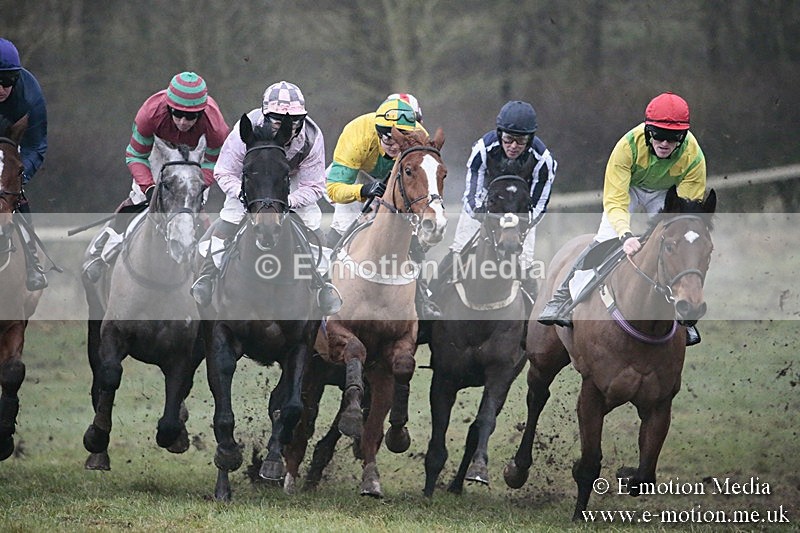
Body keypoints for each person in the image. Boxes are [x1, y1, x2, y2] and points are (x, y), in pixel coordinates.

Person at [538, 92, 706, 346]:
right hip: (630, 189)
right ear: (648, 130)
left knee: (680, 246)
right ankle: (562, 298)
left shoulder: (694, 156)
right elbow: (615, 201)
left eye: (673, 138)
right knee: (606, 238)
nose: (664, 143)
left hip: (666, 195)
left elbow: (685, 213)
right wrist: (625, 235)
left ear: (683, 137)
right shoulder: (627, 147)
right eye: (658, 135)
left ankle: (685, 316)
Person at [189, 80, 341, 315]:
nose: (289, 127)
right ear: (266, 116)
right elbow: (223, 171)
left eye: (295, 121)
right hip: (251, 183)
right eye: (279, 121)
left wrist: (288, 201)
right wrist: (243, 193)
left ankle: (323, 283)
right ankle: (208, 275)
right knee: (229, 217)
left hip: (292, 184)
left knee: (313, 223)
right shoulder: (245, 130)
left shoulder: (312, 136)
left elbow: (315, 185)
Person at [82, 71, 229, 282]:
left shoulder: (215, 126)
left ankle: (206, 266)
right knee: (139, 199)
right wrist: (148, 187)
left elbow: (214, 161)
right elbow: (135, 155)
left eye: (190, 116)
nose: (182, 121)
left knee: (192, 207)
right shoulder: (150, 114)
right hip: (159, 153)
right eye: (176, 113)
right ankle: (102, 250)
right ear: (168, 107)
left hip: (196, 159)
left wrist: (196, 186)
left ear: (201, 113)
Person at [324, 96, 441, 320]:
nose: (395, 145)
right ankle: (324, 291)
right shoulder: (357, 134)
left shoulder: (420, 137)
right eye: (388, 138)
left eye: (401, 138)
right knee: (343, 228)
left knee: (410, 239)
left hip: (399, 179)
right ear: (378, 130)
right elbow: (335, 190)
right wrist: (363, 191)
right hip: (358, 177)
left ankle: (422, 297)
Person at [447, 100, 557, 299]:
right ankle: (430, 302)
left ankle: (533, 313)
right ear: (500, 134)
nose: (513, 146)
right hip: (486, 205)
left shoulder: (543, 160)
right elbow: (471, 191)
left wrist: (524, 223)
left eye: (521, 141)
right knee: (458, 251)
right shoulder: (483, 149)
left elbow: (540, 203)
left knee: (524, 264)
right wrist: (478, 213)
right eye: (508, 139)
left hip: (521, 211)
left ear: (530, 139)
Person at [0, 37, 48, 290]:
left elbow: (35, 145)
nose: (1, 88)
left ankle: (32, 264)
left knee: (16, 201)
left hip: (10, 149)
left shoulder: (30, 95)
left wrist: (17, 178)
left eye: (8, 81)